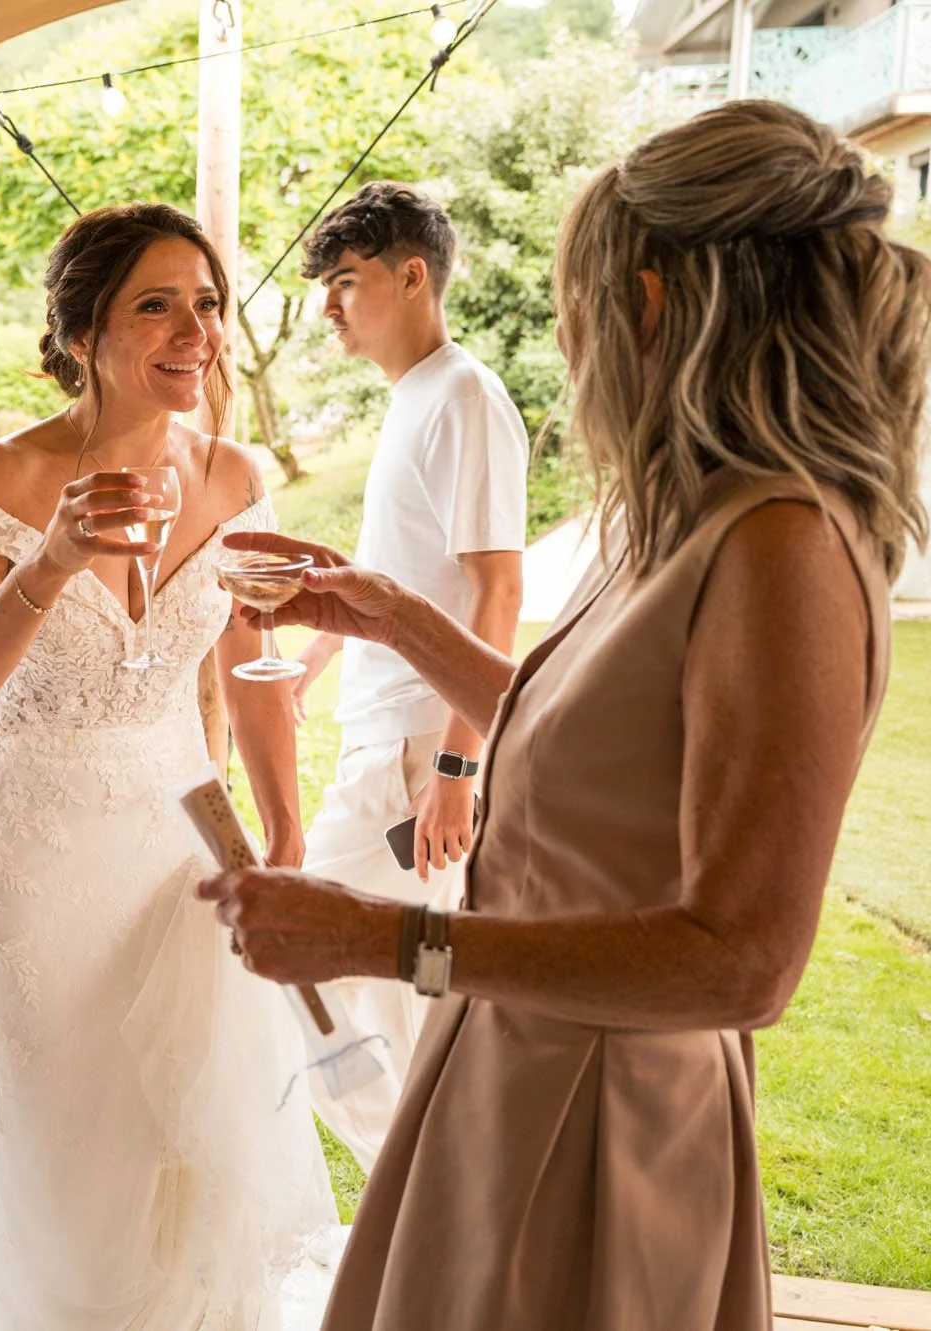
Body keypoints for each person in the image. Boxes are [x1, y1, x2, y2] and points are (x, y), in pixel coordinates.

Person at [201, 100, 931, 1330]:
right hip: (520, 1064)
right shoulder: (691, 514)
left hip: (606, 1112)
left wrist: (377, 941)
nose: (565, 334)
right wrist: (389, 616)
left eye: (575, 301)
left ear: (648, 307)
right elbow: (605, 748)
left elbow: (740, 956)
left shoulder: (780, 545)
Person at [0, 202, 335, 1330]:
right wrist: (50, 559)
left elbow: (251, 664)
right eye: (155, 304)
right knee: (61, 1124)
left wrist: (282, 824)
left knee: (182, 1124)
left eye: (205, 304)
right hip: (32, 835)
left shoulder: (236, 474)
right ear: (81, 332)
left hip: (175, 833)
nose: (193, 329)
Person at [285, 182, 526, 1170]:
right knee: (409, 973)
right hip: (384, 737)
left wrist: (455, 771)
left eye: (345, 282)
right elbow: (397, 574)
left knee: (295, 946)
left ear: (411, 274)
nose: (329, 306)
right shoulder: (415, 395)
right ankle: (441, 1170)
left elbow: (497, 590)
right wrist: (316, 650)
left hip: (418, 754)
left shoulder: (463, 393)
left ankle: (417, 1168)